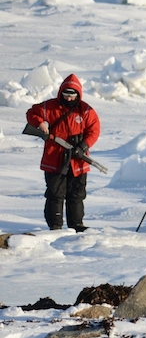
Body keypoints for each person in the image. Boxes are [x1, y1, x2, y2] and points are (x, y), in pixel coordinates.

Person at [25, 74, 99, 232]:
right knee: (55, 193)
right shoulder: (49, 107)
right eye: (66, 94)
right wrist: (40, 123)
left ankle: (76, 225)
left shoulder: (86, 110)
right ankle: (55, 225)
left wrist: (83, 146)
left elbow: (94, 130)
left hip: (78, 160)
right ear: (61, 93)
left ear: (78, 94)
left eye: (73, 95)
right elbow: (31, 113)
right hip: (54, 158)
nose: (69, 98)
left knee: (77, 194)